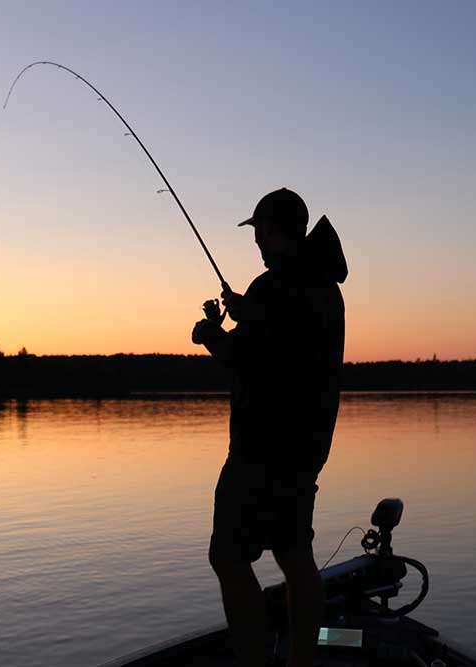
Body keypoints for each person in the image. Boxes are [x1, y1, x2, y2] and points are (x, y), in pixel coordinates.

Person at [191, 188, 348, 667]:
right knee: (295, 554)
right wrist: (247, 310)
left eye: (258, 230)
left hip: (260, 451)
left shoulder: (275, 287)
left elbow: (251, 358)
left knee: (229, 558)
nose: (255, 241)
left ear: (273, 230)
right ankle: (301, 661)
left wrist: (211, 336)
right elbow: (285, 343)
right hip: (305, 451)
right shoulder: (322, 286)